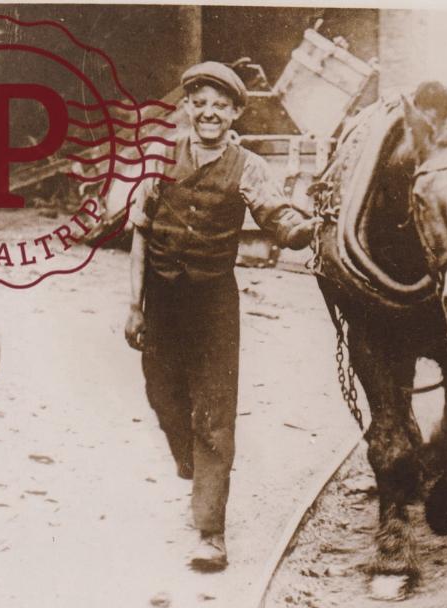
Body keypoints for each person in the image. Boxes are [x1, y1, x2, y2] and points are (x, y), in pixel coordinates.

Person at [124, 61, 315, 572]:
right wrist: (133, 305)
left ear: (234, 113)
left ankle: (210, 533)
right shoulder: (159, 160)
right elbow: (140, 232)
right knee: (163, 396)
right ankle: (191, 461)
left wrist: (302, 228)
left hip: (213, 306)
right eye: (199, 103)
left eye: (220, 106)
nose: (209, 113)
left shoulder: (250, 167)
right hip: (162, 302)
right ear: (187, 109)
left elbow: (278, 217)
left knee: (213, 416)